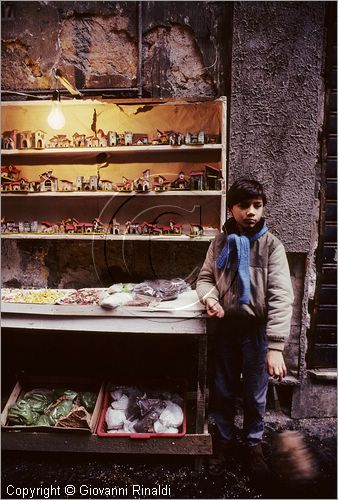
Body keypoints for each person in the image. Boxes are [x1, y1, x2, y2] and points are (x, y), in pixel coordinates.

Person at [196, 177, 294, 479]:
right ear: (231, 209)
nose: (251, 211)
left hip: (256, 332)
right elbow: (204, 279)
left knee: (255, 393)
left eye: (257, 205)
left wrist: (276, 347)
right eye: (243, 206)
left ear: (263, 207)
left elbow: (281, 296)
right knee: (223, 390)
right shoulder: (220, 243)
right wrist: (210, 299)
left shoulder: (271, 246)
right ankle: (224, 442)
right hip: (226, 328)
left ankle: (253, 444)